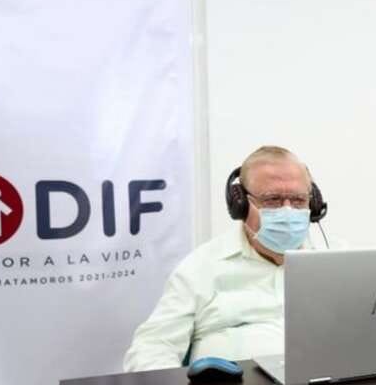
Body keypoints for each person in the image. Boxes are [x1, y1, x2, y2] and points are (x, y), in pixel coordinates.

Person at [123, 146, 326, 372]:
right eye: (272, 200)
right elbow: (151, 348)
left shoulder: (337, 260)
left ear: (314, 205)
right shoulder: (201, 267)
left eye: (298, 200)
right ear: (240, 205)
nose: (287, 211)